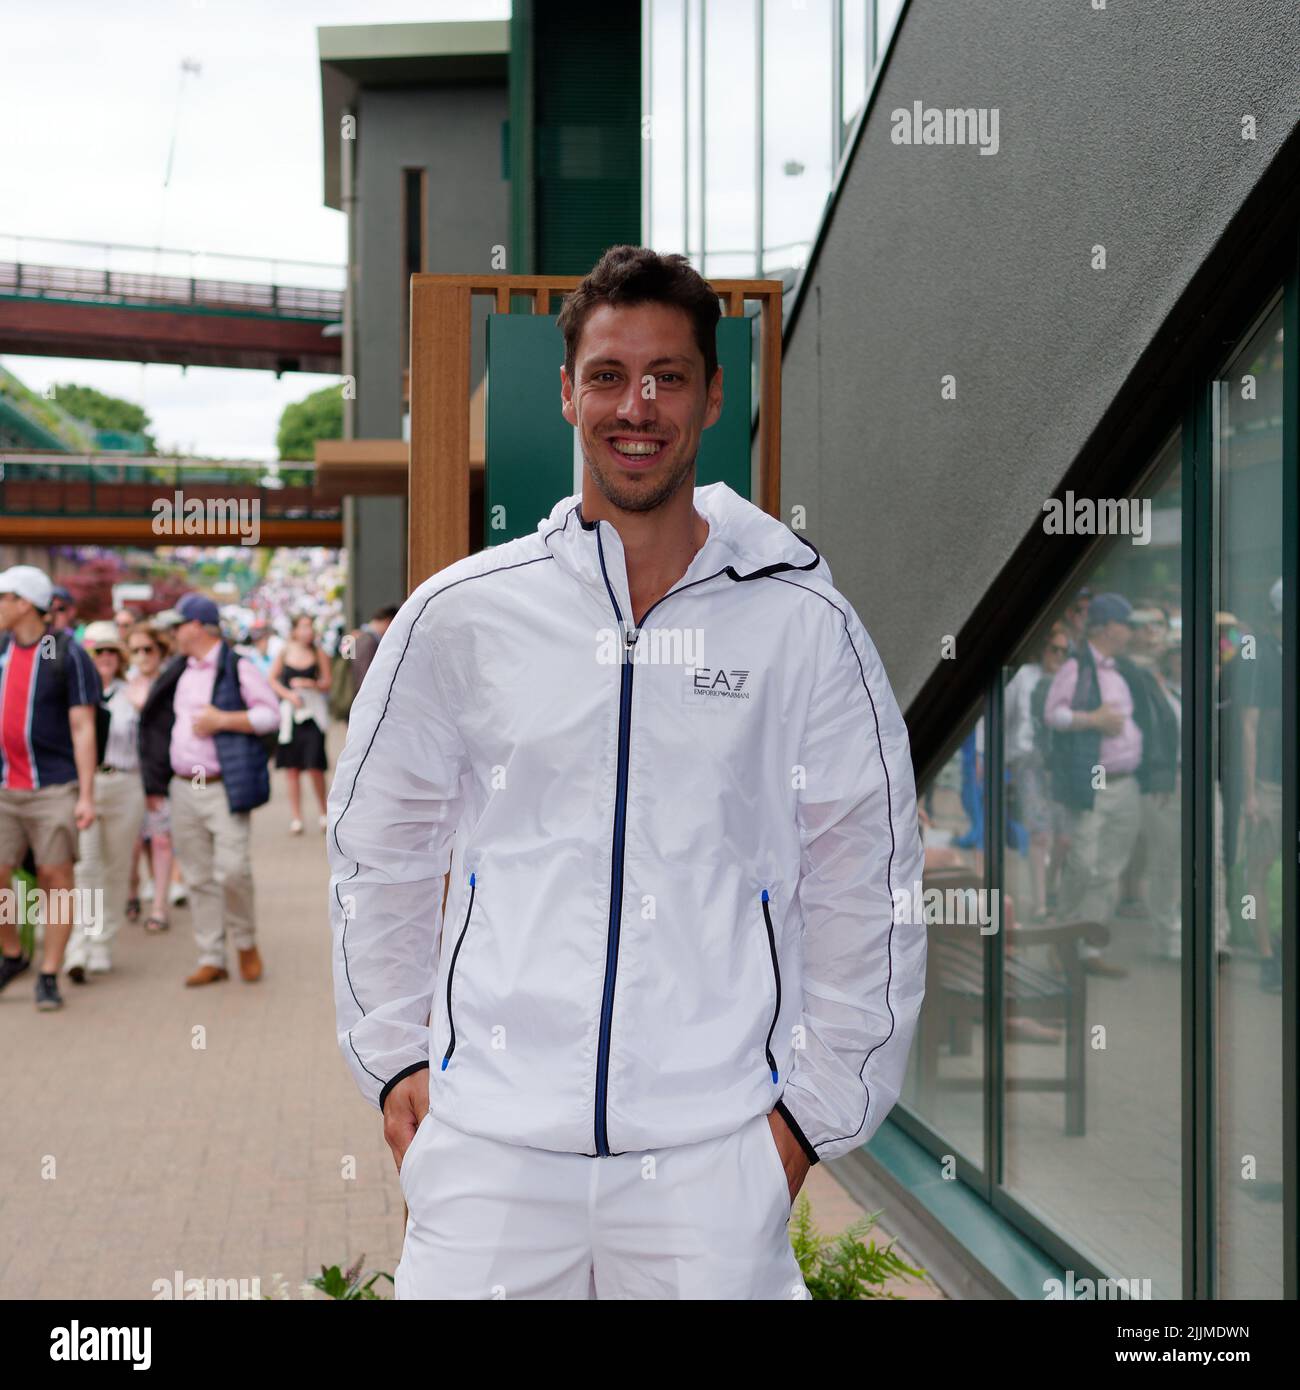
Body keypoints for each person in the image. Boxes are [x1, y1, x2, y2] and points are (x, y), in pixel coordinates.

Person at [328, 245, 927, 1300]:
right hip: (492, 1149)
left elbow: (865, 879)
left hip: (710, 1155)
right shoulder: (461, 615)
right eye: (606, 374)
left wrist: (803, 1123)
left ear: (710, 396)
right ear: (566, 393)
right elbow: (380, 844)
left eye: (667, 375)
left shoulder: (806, 628)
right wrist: (396, 1060)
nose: (635, 404)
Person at [137, 593, 279, 987]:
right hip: (182, 786)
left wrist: (224, 720)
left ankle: (246, 943)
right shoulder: (177, 670)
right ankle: (211, 955)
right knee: (198, 874)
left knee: (233, 869)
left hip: (222, 785)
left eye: (179, 625)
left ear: (197, 626)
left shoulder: (237, 666)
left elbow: (270, 715)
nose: (174, 632)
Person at [0, 565, 100, 1011]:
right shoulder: (0, 647)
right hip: (4, 786)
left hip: (53, 788)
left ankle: (48, 971)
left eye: (4, 597)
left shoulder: (66, 653)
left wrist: (86, 794)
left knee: (54, 881)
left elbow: (83, 727)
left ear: (24, 604)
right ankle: (14, 955)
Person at [65, 622, 146, 981]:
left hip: (125, 783)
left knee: (116, 868)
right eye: (100, 652)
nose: (107, 658)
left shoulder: (133, 695)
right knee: (85, 869)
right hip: (87, 784)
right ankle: (77, 945)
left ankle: (103, 943)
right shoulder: (72, 693)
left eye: (113, 651)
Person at [1241, 578, 1283, 992]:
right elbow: (1249, 726)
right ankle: (1266, 956)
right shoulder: (1259, 654)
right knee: (1259, 868)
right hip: (1270, 784)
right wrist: (1251, 792)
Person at [124, 621, 178, 933]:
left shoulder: (170, 685)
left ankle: (159, 905)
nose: (143, 655)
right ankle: (132, 891)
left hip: (159, 776)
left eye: (148, 649)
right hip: (128, 778)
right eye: (135, 650)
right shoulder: (122, 685)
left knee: (160, 840)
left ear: (160, 651)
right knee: (133, 843)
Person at [269, 613, 331, 833]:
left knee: (315, 766)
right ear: (294, 630)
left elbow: (327, 682)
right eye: (303, 627)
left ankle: (324, 812)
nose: (307, 631)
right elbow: (272, 678)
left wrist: (310, 684)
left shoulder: (318, 652)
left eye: (310, 627)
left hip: (312, 714)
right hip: (291, 716)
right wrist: (287, 695)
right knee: (292, 769)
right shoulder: (284, 651)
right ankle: (296, 817)